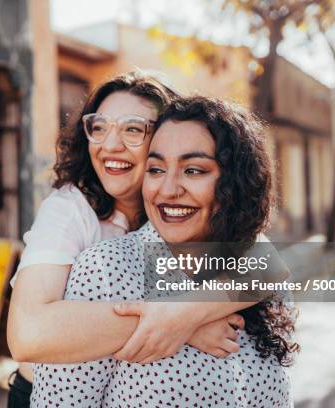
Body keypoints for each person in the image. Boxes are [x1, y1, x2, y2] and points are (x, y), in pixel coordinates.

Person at [30, 95, 298, 407]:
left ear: (235, 182)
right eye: (156, 169)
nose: (168, 189)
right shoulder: (105, 270)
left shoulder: (262, 271)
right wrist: (175, 320)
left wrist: (186, 313)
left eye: (194, 171)